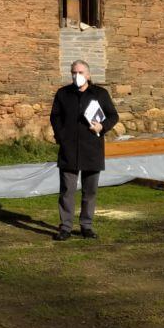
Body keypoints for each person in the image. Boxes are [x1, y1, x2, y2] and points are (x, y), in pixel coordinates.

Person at [49, 60, 119, 241]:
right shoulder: (63, 94)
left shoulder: (100, 94)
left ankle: (86, 226)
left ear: (88, 75)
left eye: (80, 72)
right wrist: (61, 137)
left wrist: (101, 127)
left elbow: (113, 115)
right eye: (73, 72)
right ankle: (65, 227)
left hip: (92, 149)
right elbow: (55, 117)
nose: (76, 75)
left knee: (90, 191)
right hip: (69, 149)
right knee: (67, 190)